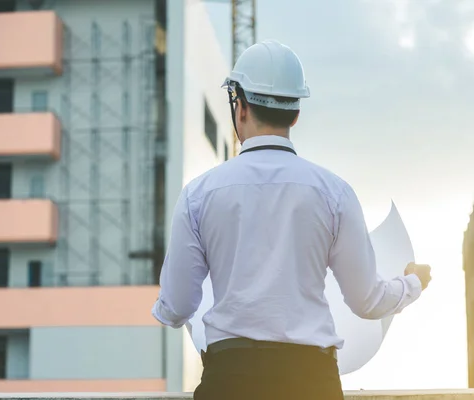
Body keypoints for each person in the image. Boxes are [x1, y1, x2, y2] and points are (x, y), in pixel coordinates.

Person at [151, 39, 432, 400]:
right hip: (311, 382)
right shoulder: (335, 193)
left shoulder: (198, 195)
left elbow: (176, 308)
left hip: (230, 380)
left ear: (240, 107)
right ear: (296, 113)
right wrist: (411, 283)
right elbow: (367, 301)